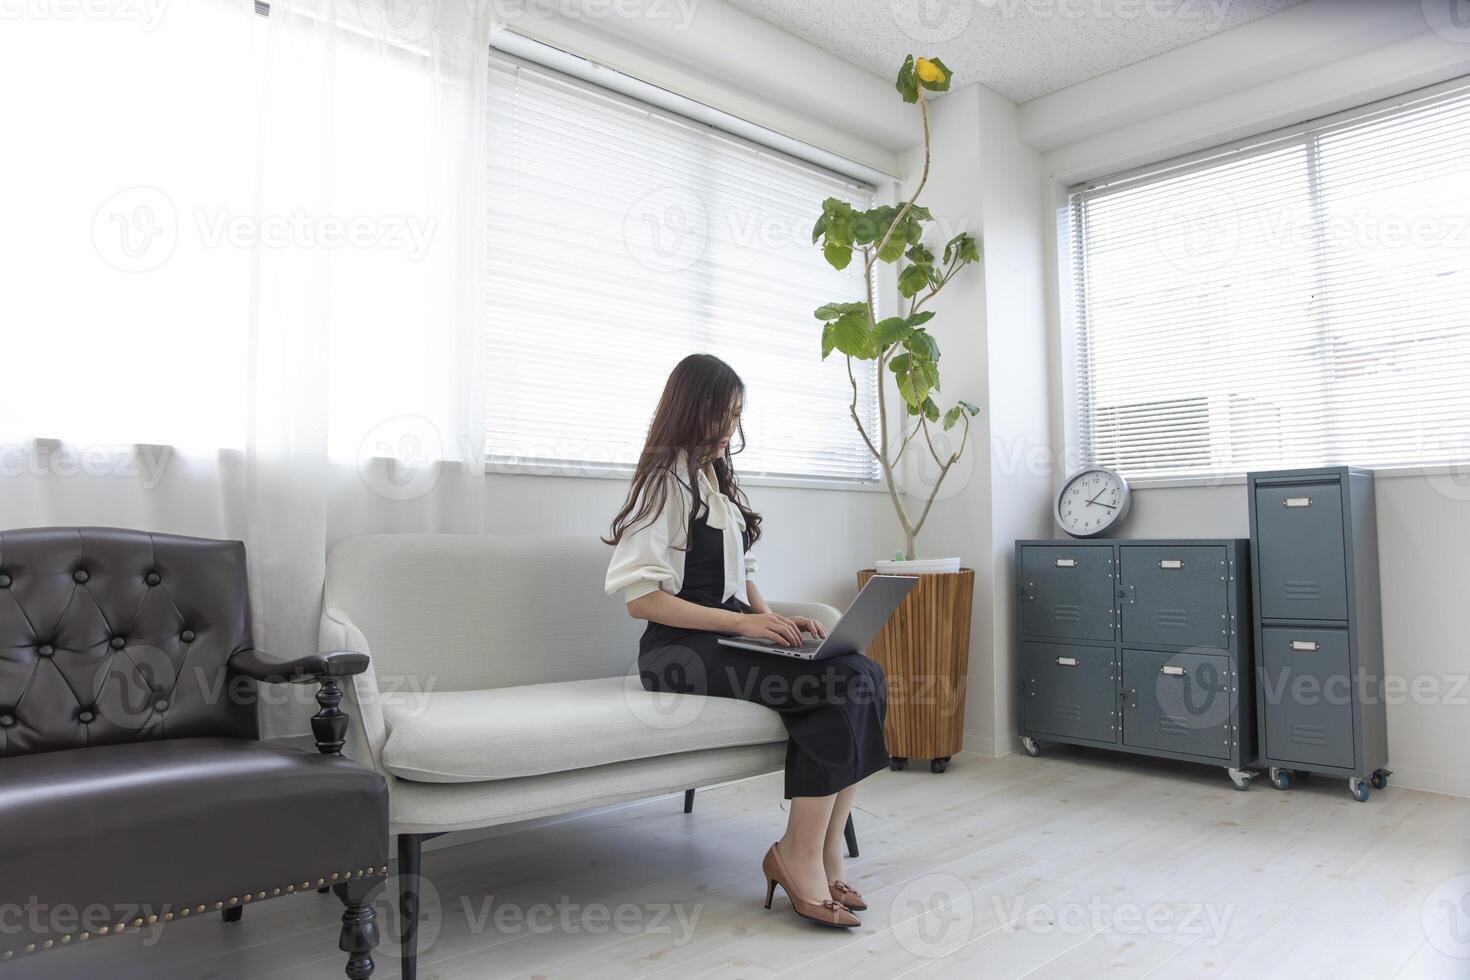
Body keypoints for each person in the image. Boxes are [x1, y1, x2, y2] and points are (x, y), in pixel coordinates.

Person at [603, 353, 888, 929]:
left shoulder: (714, 481)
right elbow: (641, 600)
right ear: (692, 411)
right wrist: (741, 624)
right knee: (836, 682)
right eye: (723, 416)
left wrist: (776, 619)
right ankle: (796, 854)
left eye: (736, 417)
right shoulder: (665, 484)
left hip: (728, 639)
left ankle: (827, 850)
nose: (731, 429)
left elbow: (741, 577)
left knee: (862, 671)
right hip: (677, 653)